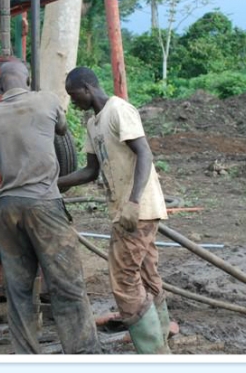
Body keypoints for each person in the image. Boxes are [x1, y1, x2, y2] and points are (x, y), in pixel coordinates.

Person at [0, 61, 101, 354]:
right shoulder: (46, 100)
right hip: (45, 204)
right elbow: (61, 130)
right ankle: (85, 355)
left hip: (9, 208)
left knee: (19, 291)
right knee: (67, 285)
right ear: (28, 79)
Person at [57, 66, 171, 354]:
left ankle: (153, 353)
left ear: (87, 88)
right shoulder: (93, 124)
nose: (75, 102)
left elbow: (144, 152)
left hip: (138, 209)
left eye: (74, 95)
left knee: (123, 279)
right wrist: (53, 183)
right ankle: (163, 339)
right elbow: (90, 170)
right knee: (146, 272)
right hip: (125, 209)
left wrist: (133, 202)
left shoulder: (118, 110)